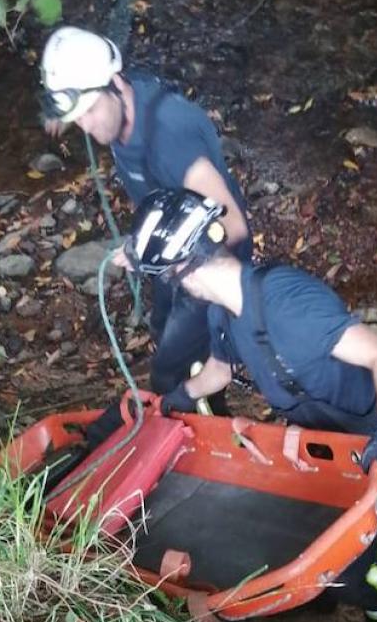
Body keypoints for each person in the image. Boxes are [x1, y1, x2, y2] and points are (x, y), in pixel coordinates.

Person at [126, 188, 377, 622]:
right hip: (314, 440)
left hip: (367, 441)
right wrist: (175, 400)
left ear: (184, 270)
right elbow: (219, 373)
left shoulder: (288, 302)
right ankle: (322, 592)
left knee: (366, 556)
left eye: (166, 276)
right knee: (315, 533)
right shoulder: (225, 312)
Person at [38, 26, 250, 405]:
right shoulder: (120, 102)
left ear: (115, 84)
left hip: (209, 266)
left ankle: (204, 432)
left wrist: (156, 252)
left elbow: (233, 225)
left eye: (88, 113)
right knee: (162, 330)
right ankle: (207, 404)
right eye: (77, 119)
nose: (86, 128)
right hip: (169, 254)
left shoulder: (170, 140)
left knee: (169, 370)